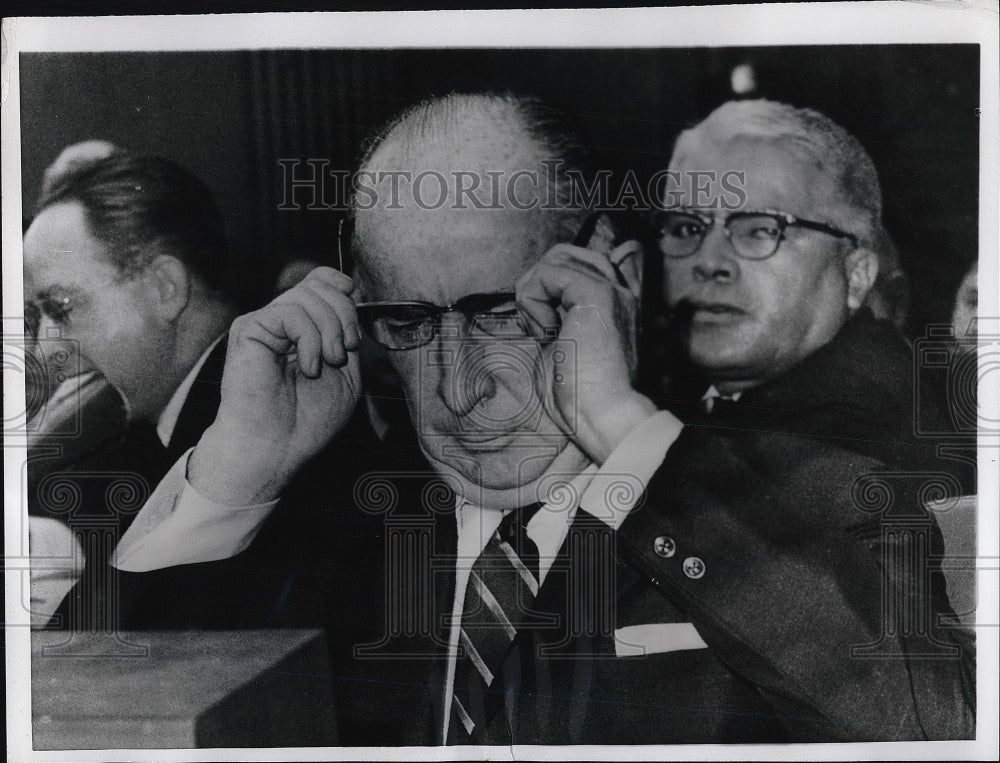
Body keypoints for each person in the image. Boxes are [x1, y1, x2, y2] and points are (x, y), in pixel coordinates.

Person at [108, 94, 973, 744]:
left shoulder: (795, 499)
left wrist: (623, 434)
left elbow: (931, 725)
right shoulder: (332, 544)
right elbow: (87, 728)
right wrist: (233, 473)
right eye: (409, 323)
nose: (459, 390)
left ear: (616, 285)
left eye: (501, 314)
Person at [23, 152, 249, 629]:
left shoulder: (252, 425)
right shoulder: (179, 418)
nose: (49, 344)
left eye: (61, 308)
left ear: (166, 287)